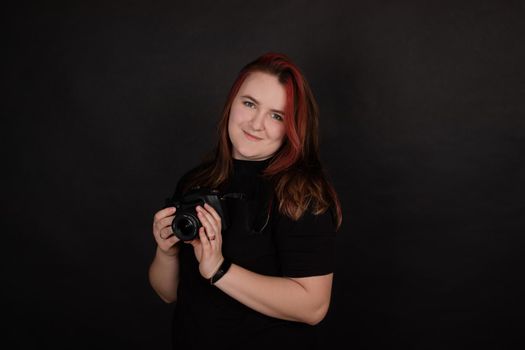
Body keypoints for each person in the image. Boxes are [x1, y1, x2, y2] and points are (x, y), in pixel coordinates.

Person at [149, 52, 342, 349]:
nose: (256, 123)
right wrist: (166, 253)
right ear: (231, 102)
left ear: (292, 127)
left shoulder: (301, 194)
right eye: (249, 103)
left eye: (276, 116)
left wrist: (218, 269)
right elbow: (170, 293)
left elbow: (313, 306)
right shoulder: (196, 181)